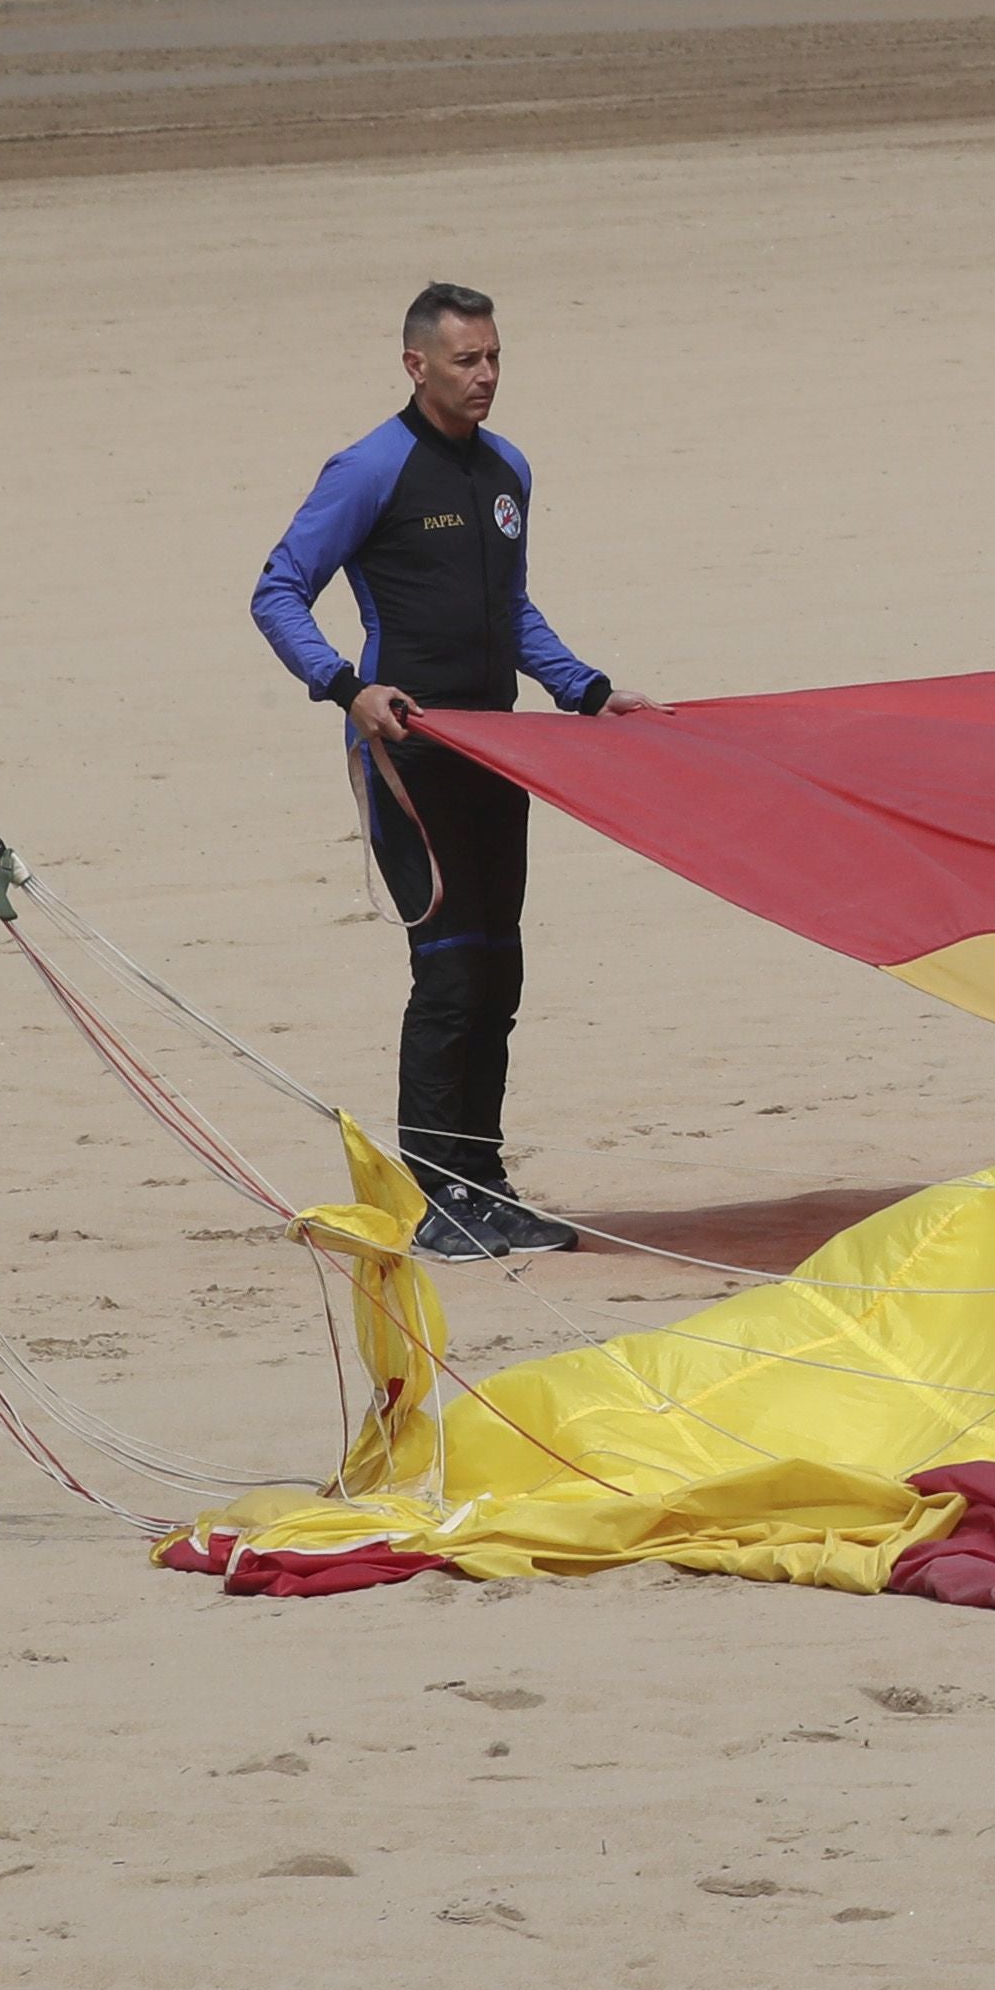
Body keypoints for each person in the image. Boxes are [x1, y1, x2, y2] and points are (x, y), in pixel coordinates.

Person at [251, 284, 659, 1261]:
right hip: (408, 756)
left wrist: (584, 689)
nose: (483, 377)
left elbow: (510, 610)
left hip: (496, 752)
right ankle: (436, 1197)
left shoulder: (506, 469)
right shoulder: (371, 470)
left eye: (492, 358)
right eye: (465, 360)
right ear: (415, 365)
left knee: (499, 967)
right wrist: (347, 687)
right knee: (447, 973)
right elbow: (278, 592)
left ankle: (485, 1185)